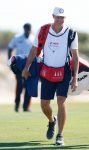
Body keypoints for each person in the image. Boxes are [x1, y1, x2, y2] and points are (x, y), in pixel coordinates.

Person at [22, 7, 79, 146]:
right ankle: (51, 121)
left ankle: (60, 135)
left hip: (64, 71)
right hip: (47, 71)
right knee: (44, 104)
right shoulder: (43, 30)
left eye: (63, 17)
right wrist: (26, 67)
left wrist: (75, 77)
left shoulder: (71, 33)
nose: (60, 20)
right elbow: (34, 50)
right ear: (53, 16)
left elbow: (75, 56)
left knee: (61, 101)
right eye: (58, 17)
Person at [8, 23, 34, 112]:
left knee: (29, 87)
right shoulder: (17, 38)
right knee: (20, 85)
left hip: (30, 66)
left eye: (29, 29)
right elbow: (10, 48)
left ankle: (26, 107)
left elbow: (36, 52)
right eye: (26, 28)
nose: (28, 30)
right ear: (24, 29)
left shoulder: (33, 39)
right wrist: (10, 62)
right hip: (19, 65)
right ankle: (17, 105)